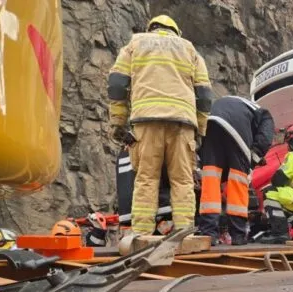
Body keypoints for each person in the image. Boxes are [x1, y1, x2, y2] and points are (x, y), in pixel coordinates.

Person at [107, 15, 213, 235]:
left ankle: (142, 235)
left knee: (146, 179)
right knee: (183, 181)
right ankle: (185, 234)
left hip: (146, 122)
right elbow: (204, 95)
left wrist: (118, 122)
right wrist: (200, 130)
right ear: (176, 31)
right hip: (182, 125)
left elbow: (117, 84)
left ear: (151, 28)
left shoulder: (135, 44)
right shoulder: (189, 49)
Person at [198, 96, 274, 245]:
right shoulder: (264, 114)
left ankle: (209, 235)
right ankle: (238, 235)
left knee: (210, 180)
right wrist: (254, 157)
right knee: (238, 180)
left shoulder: (235, 103)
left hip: (210, 122)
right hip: (237, 123)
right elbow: (265, 138)